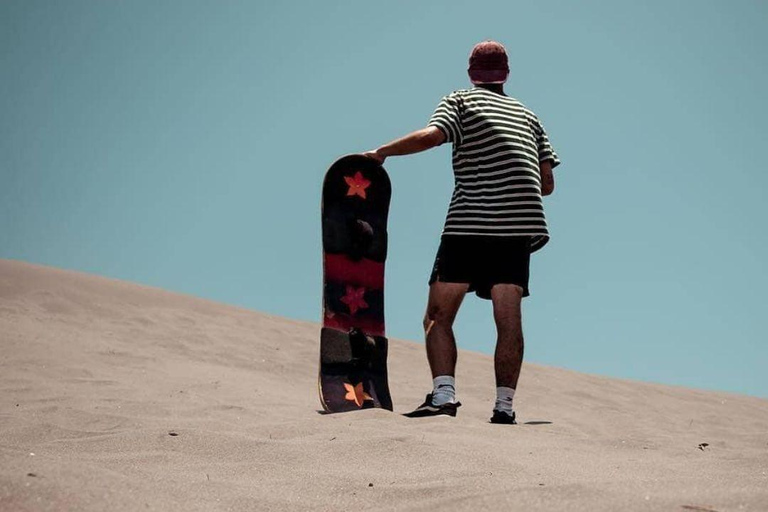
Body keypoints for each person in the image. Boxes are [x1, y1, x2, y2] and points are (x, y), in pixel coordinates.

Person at [363, 40, 560, 424]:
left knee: (438, 315)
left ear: (472, 73)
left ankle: (444, 396)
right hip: (518, 228)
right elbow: (547, 183)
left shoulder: (460, 101)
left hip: (470, 224)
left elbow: (433, 136)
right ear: (506, 74)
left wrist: (382, 152)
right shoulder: (530, 116)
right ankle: (504, 407)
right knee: (508, 320)